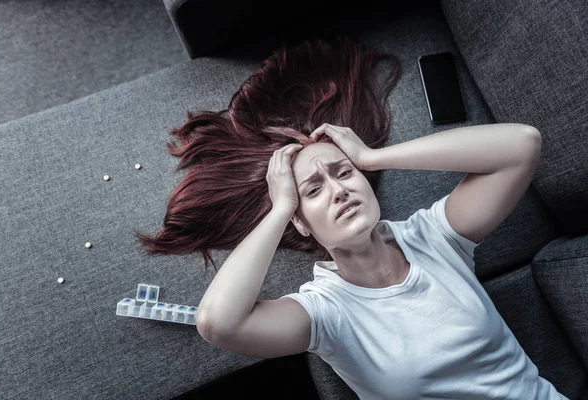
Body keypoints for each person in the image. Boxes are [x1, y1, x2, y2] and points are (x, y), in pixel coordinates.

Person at [135, 36, 569, 399]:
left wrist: (373, 156)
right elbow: (218, 323)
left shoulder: (435, 238)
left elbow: (522, 145)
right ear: (301, 223)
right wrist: (281, 207)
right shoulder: (326, 312)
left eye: (343, 172)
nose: (338, 188)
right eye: (314, 189)